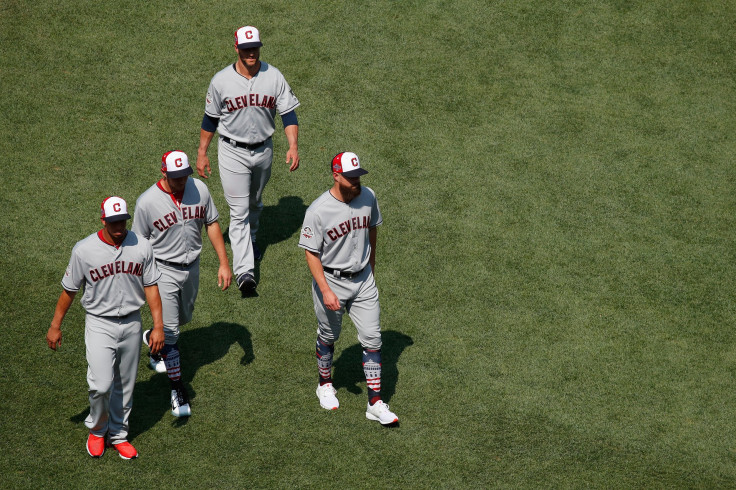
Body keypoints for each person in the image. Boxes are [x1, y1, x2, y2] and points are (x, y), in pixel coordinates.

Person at [46, 197, 164, 459]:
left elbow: (152, 287)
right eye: (113, 221)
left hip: (133, 321)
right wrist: (55, 326)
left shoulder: (142, 246)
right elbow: (69, 290)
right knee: (101, 384)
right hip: (99, 323)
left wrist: (158, 326)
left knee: (126, 385)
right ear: (103, 220)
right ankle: (98, 431)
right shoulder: (84, 250)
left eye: (122, 220)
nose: (119, 225)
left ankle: (119, 435)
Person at [197, 25, 300, 295]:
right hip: (232, 152)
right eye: (246, 48)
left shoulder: (273, 76)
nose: (251, 52)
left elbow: (288, 114)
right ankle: (245, 273)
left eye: (254, 47)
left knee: (254, 202)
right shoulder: (221, 81)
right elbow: (210, 119)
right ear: (237, 49)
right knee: (239, 211)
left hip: (264, 150)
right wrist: (201, 152)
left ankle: (251, 237)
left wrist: (293, 145)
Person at [298, 152, 398, 425]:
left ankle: (375, 403)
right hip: (331, 281)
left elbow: (373, 231)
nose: (357, 181)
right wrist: (326, 290)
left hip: (363, 279)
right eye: (351, 177)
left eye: (358, 176)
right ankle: (325, 383)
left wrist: (372, 271)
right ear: (336, 176)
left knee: (372, 338)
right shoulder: (318, 210)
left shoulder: (369, 197)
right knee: (329, 334)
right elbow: (310, 253)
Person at [132, 150, 232, 417]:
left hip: (193, 268)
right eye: (175, 177)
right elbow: (138, 245)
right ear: (163, 173)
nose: (181, 182)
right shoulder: (147, 203)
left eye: (184, 176)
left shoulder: (199, 189)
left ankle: (155, 347)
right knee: (173, 331)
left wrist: (224, 262)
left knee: (184, 318)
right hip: (162, 271)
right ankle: (178, 390)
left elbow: (211, 223)